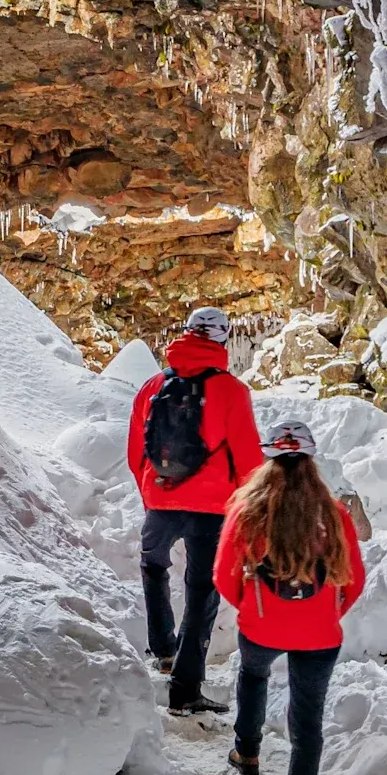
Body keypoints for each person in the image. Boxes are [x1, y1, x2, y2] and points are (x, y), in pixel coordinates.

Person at [217, 420, 366, 775]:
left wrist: (252, 608)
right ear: (311, 461)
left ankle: (246, 751)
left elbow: (224, 577)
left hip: (261, 627)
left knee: (253, 675)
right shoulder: (333, 514)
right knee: (307, 723)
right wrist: (327, 612)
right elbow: (353, 578)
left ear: (269, 461)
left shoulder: (249, 513)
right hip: (319, 635)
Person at [127, 305, 261, 713]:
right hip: (212, 507)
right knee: (203, 589)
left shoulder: (152, 386)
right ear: (223, 338)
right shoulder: (231, 390)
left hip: (160, 500)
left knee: (154, 567)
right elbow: (249, 459)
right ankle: (185, 688)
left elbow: (136, 452)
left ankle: (163, 647)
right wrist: (246, 507)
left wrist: (152, 495)